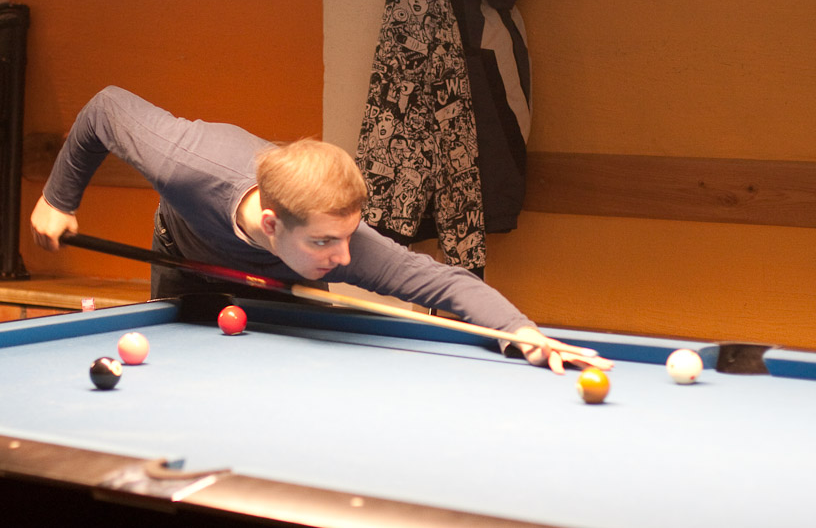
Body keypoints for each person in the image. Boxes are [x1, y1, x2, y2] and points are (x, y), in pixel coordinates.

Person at [31, 86, 611, 374]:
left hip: (284, 277)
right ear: (271, 222)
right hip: (187, 254)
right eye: (324, 242)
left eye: (346, 236)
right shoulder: (187, 163)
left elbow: (442, 282)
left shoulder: (336, 244)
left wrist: (518, 329)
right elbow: (106, 108)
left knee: (297, 366)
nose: (343, 256)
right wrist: (58, 198)